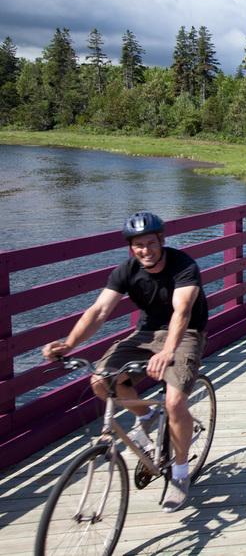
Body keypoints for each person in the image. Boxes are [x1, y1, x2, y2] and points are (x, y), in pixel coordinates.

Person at [42, 211, 209, 513]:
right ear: (130, 248)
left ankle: (181, 473)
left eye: (150, 243)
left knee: (173, 403)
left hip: (184, 334)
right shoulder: (127, 270)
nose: (145, 250)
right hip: (145, 333)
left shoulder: (184, 266)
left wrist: (168, 351)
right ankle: (146, 418)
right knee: (101, 381)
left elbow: (182, 311)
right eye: (138, 245)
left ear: (161, 240)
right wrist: (68, 343)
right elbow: (99, 312)